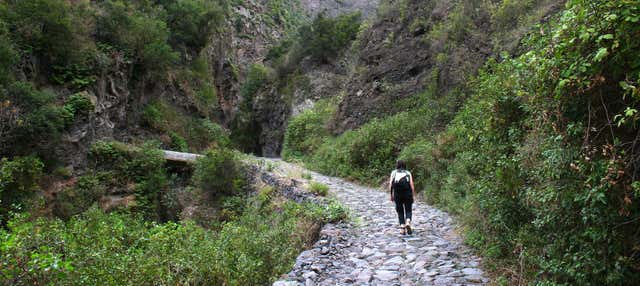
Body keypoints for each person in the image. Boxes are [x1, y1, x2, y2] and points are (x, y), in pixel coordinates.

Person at [389, 160, 416, 235]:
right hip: (407, 193)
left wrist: (391, 195)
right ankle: (408, 221)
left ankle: (402, 228)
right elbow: (411, 185)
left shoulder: (394, 173)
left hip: (397, 194)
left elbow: (391, 185)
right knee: (408, 209)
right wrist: (413, 195)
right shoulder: (408, 173)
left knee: (400, 210)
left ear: (397, 165)